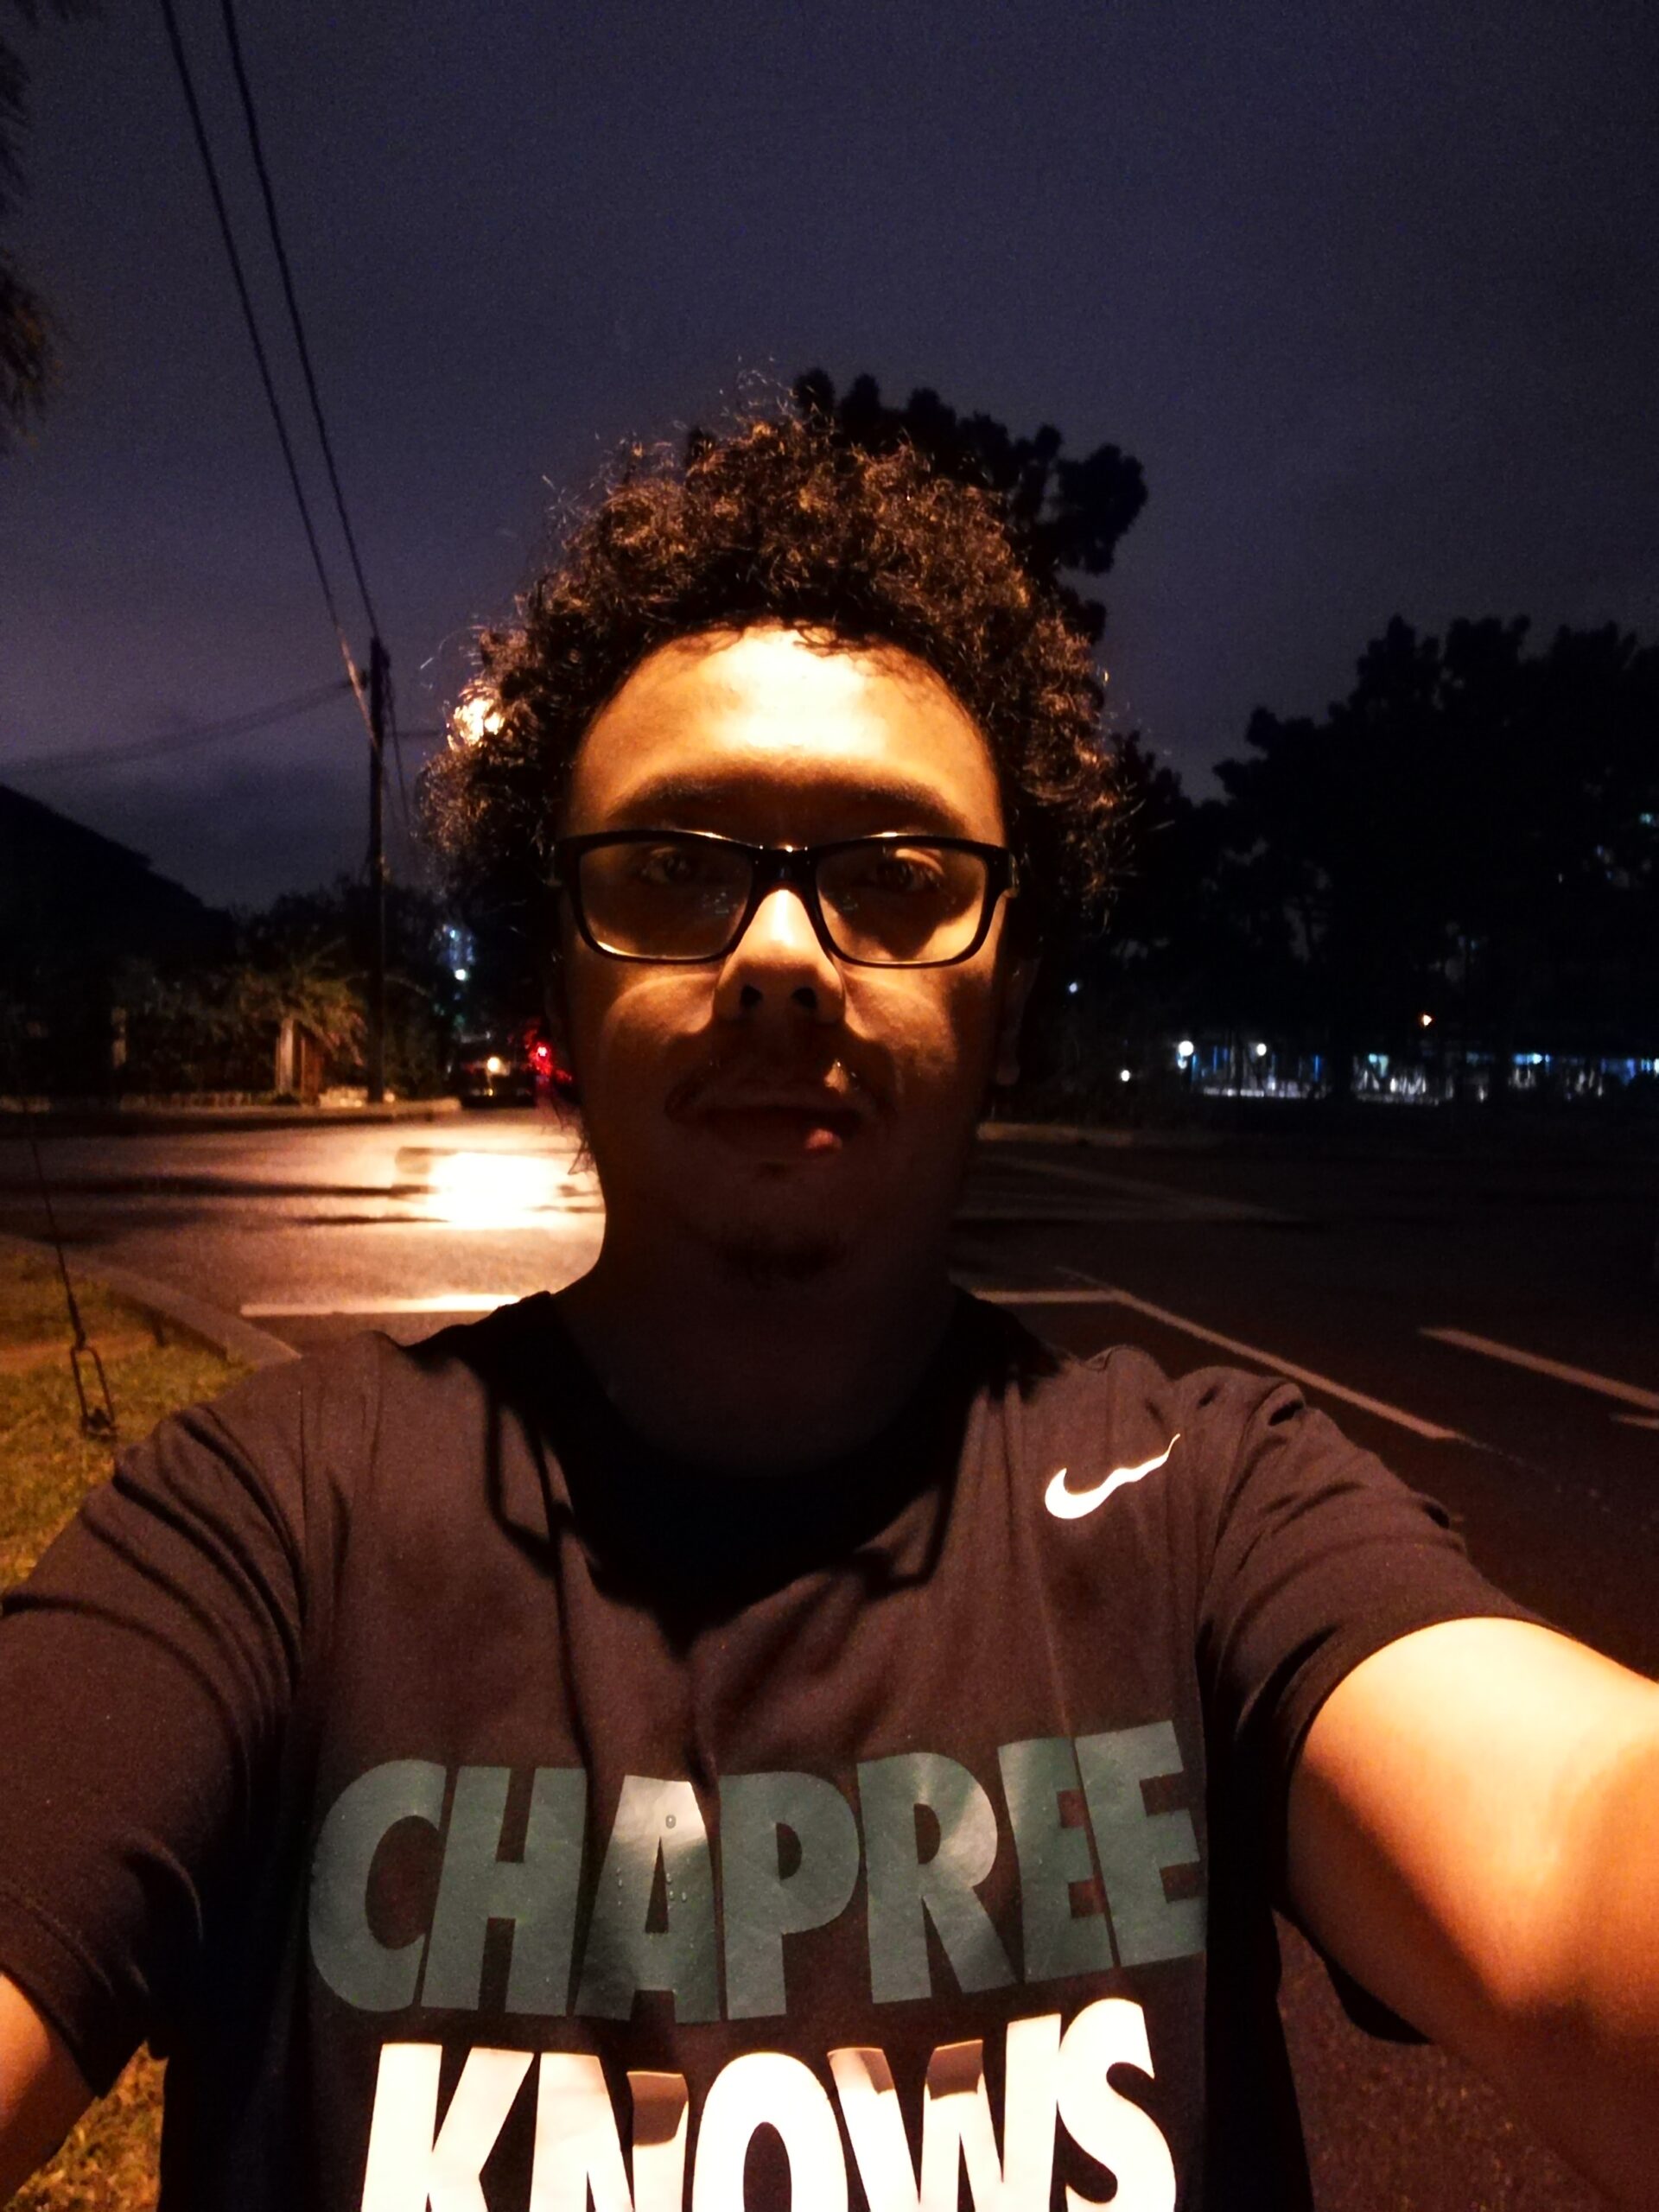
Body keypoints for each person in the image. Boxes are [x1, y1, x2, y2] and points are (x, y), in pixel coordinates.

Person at [1, 410, 1656, 2212]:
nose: (780, 956)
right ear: (559, 967)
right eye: (673, 868)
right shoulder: (267, 1528)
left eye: (893, 878)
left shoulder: (1210, 1514)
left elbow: (1576, 1843)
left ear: (1007, 990)